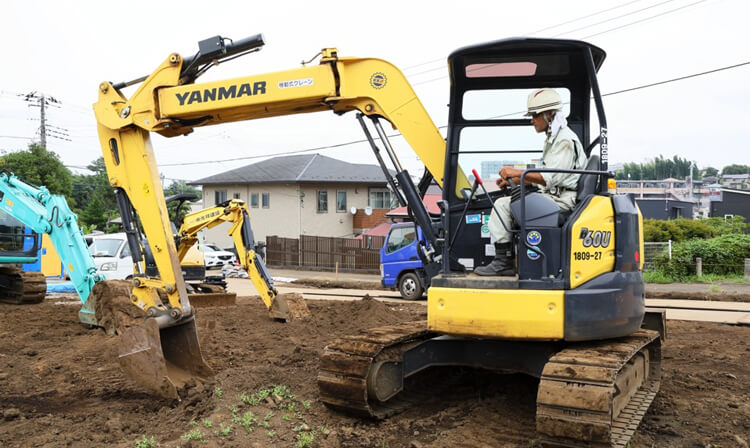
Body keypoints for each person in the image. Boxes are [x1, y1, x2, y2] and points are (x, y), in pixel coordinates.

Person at [474, 88, 586, 276]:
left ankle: (503, 261)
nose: (532, 120)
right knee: (508, 202)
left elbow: (548, 177)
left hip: (561, 202)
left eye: (534, 115)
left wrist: (516, 172)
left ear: (549, 114)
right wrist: (516, 179)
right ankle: (507, 259)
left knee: (503, 205)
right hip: (553, 196)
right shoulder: (554, 138)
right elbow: (546, 176)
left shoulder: (564, 141)